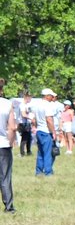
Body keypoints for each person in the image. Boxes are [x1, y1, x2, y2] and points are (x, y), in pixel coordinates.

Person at [0, 79, 17, 213]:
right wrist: (10, 143)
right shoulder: (7, 104)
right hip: (3, 145)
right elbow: (12, 127)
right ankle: (9, 206)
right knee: (5, 176)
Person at [17, 91, 33, 156]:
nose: (31, 99)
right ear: (27, 97)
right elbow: (23, 115)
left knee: (29, 138)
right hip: (23, 124)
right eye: (30, 98)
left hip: (27, 123)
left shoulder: (26, 105)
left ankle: (28, 151)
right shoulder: (22, 105)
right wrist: (31, 118)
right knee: (24, 139)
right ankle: (22, 152)